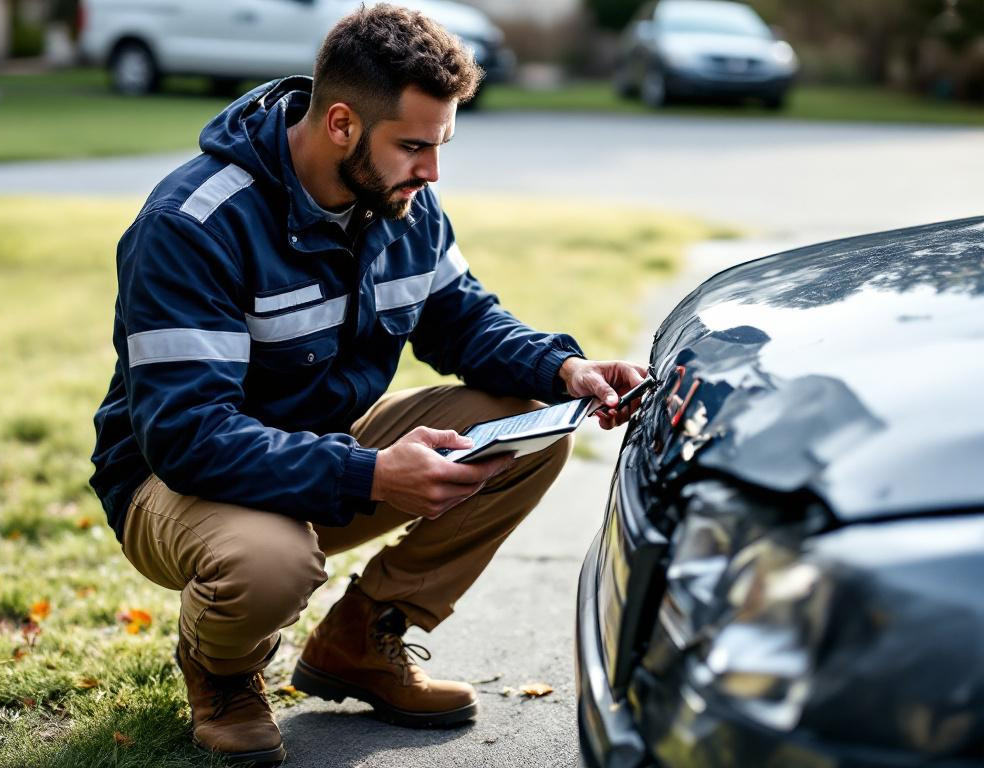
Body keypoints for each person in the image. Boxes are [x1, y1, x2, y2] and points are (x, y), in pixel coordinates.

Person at [90, 4, 647, 765]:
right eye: (415, 146)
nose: (433, 170)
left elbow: (461, 320)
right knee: (272, 562)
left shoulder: (400, 201)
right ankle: (219, 674)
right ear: (343, 124)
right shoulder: (194, 224)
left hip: (324, 450)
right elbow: (188, 435)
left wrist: (565, 370)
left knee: (530, 425)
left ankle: (361, 638)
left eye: (441, 144)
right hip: (175, 485)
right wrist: (373, 471)